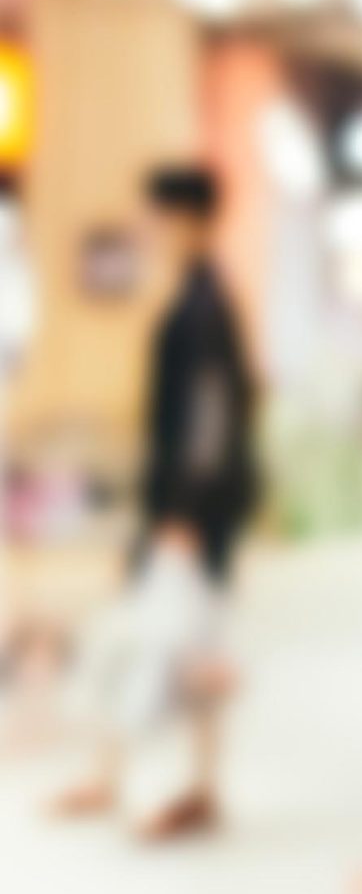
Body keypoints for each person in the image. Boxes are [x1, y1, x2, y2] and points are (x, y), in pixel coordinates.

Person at [53, 165, 259, 841]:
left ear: (189, 218)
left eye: (159, 216)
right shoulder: (195, 299)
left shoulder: (205, 307)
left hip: (190, 516)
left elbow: (210, 417)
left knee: (173, 643)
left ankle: (172, 785)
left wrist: (186, 514)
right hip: (182, 511)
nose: (151, 230)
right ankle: (158, 782)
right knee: (175, 640)